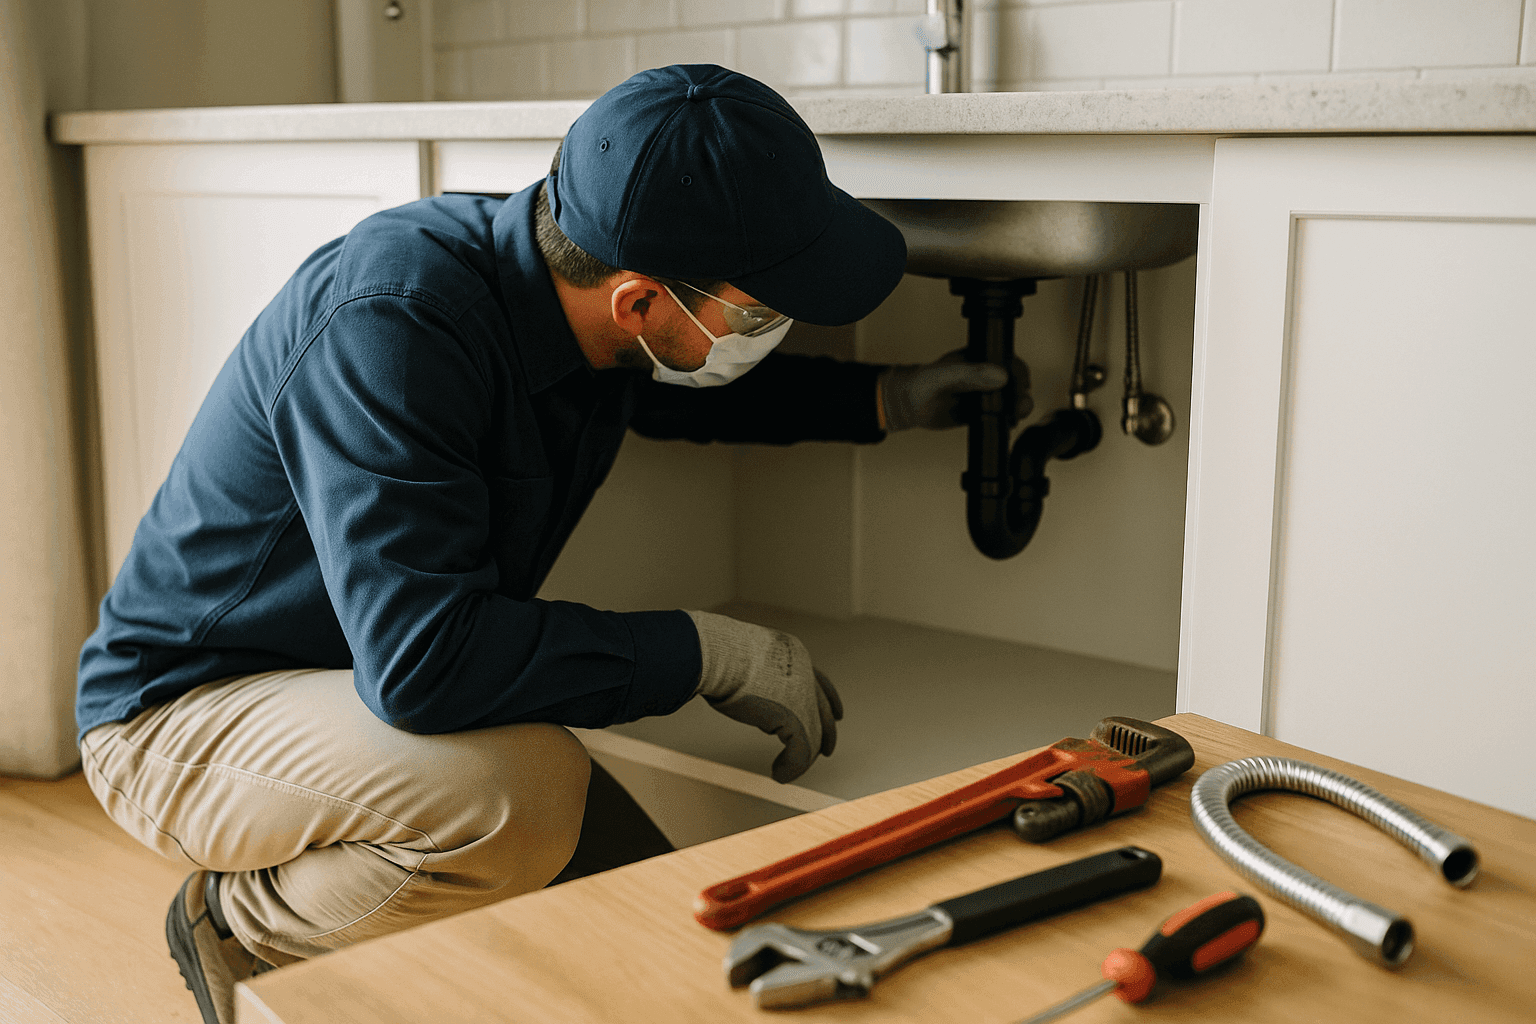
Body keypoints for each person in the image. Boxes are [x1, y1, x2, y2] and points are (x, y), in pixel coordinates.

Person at [73, 65, 1021, 1024]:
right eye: (758, 314)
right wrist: (705, 653)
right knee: (518, 801)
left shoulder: (572, 271)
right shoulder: (395, 322)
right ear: (641, 302)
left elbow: (672, 380)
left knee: (654, 910)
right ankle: (242, 921)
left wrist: (884, 400)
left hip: (362, 674)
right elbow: (424, 670)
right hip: (183, 713)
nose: (765, 330)